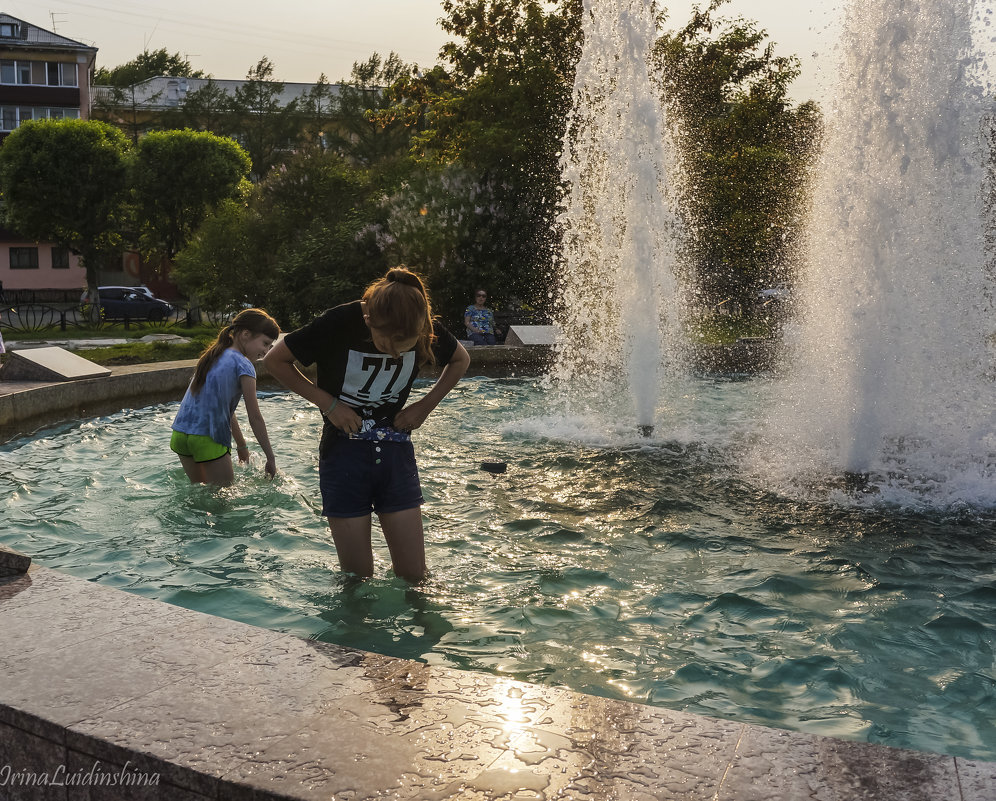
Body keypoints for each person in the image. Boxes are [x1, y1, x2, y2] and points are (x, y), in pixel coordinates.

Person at [264, 267, 470, 583]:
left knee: (415, 576)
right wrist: (330, 404)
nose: (396, 351)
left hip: (396, 456)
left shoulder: (422, 323)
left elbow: (461, 360)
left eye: (406, 343)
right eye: (388, 342)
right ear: (369, 321)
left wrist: (425, 406)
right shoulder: (339, 321)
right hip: (342, 454)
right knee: (357, 578)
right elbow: (275, 360)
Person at [171, 308, 279, 487]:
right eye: (265, 343)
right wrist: (270, 458)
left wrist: (241, 446)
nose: (266, 351)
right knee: (223, 505)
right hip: (208, 437)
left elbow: (224, 407)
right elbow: (255, 417)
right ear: (245, 334)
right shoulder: (244, 365)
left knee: (200, 495)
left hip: (180, 434)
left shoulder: (212, 355)